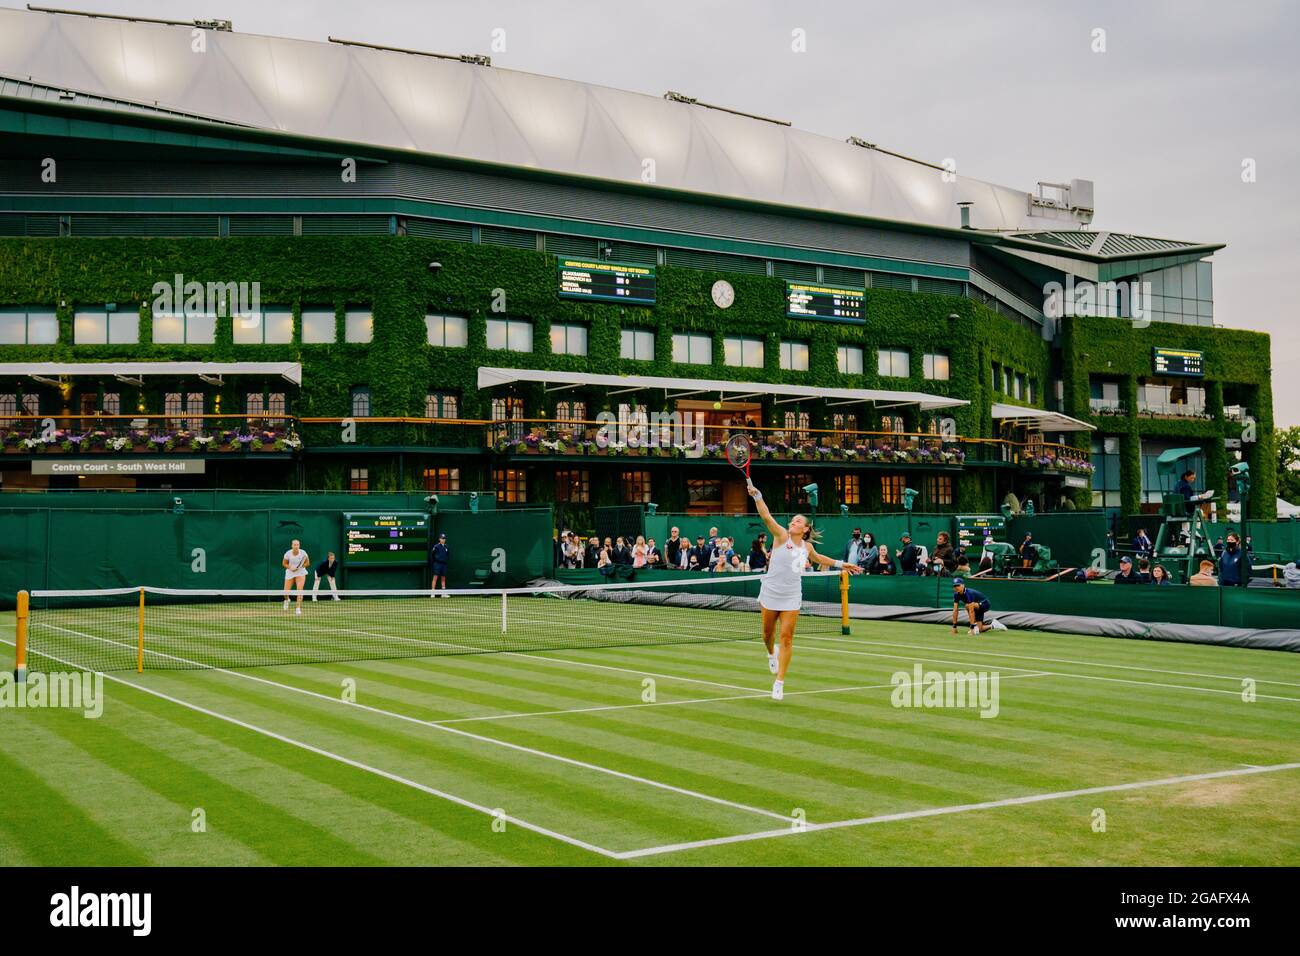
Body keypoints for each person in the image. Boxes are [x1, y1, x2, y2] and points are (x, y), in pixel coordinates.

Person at [747, 478, 861, 700]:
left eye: (798, 521)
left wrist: (841, 564)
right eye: (793, 520)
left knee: (787, 637)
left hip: (791, 596)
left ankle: (779, 681)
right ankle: (771, 653)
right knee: (767, 635)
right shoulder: (781, 536)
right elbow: (766, 516)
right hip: (770, 592)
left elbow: (818, 557)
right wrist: (757, 496)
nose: (793, 522)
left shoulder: (807, 546)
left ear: (806, 528)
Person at [282, 538, 310, 614]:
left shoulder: (303, 553)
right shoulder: (288, 553)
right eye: (294, 545)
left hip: (300, 572)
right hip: (290, 572)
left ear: (299, 545)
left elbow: (307, 563)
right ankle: (286, 600)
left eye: (297, 545)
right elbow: (284, 563)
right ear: (292, 546)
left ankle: (298, 608)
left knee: (299, 590)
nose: (296, 546)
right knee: (285, 592)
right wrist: (291, 567)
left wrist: (299, 567)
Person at [430, 532, 450, 596]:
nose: (443, 540)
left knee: (443, 578)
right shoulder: (436, 546)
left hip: (444, 564)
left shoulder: (447, 547)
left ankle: (443, 593)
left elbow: (447, 555)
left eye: (444, 539)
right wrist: (435, 562)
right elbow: (432, 555)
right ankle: (432, 593)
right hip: (437, 564)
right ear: (439, 539)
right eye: (442, 538)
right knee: (435, 577)